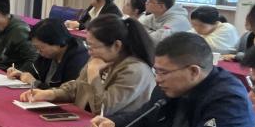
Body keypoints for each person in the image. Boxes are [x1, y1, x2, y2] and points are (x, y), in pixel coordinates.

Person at [90, 32, 255, 127]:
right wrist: (114, 123)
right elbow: (145, 118)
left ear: (193, 71)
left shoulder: (229, 100)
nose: (158, 79)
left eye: (164, 72)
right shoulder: (168, 87)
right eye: (156, 71)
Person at [22, 15, 155, 115]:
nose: (89, 51)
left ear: (116, 45)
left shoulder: (135, 70)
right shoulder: (101, 59)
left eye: (93, 46)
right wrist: (50, 94)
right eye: (88, 45)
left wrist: (93, 74)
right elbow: (77, 87)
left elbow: (102, 109)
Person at [7, 19, 89, 89]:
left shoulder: (78, 60)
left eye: (40, 48)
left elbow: (66, 94)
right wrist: (21, 74)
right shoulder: (48, 55)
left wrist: (35, 83)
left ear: (57, 42)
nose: (38, 52)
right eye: (36, 48)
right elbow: (33, 72)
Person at [0, 0, 39, 71]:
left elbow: (34, 58)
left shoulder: (19, 31)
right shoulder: (0, 29)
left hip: (14, 75)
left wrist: (19, 74)